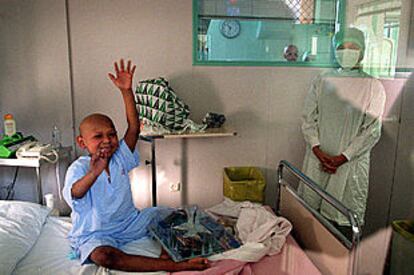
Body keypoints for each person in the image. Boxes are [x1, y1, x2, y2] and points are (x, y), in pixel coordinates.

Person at [62, 59, 210, 272]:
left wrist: (126, 92)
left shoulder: (119, 157)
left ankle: (167, 253)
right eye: (98, 136)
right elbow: (75, 193)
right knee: (103, 256)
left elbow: (133, 128)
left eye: (111, 134)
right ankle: (172, 265)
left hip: (130, 223)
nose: (107, 140)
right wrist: (94, 173)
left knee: (179, 215)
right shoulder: (80, 167)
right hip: (97, 232)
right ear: (82, 142)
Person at [298, 28, 386, 233]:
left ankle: (340, 264)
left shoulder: (373, 86)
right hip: (317, 159)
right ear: (334, 51)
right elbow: (308, 119)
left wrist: (343, 157)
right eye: (341, 47)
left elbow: (371, 131)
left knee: (342, 220)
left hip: (350, 165)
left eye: (353, 47)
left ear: (362, 52)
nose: (347, 52)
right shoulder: (322, 80)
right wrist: (318, 150)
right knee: (310, 214)